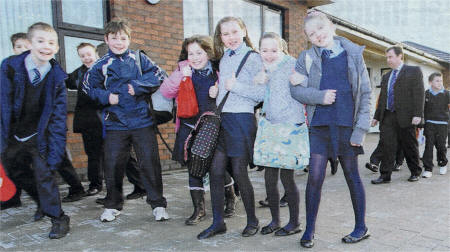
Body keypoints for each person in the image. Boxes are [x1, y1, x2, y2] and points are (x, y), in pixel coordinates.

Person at [290, 10, 371, 248]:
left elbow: (366, 94)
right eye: (311, 33)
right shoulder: (305, 57)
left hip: (347, 126)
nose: (317, 36)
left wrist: (361, 130)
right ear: (307, 37)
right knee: (314, 177)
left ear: (331, 27)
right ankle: (309, 230)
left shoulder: (353, 54)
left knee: (351, 175)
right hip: (319, 126)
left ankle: (361, 227)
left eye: (320, 30)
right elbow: (295, 90)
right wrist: (319, 96)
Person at [83, 19, 168, 222]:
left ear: (129, 39)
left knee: (150, 165)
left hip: (143, 122)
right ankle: (112, 205)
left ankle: (158, 205)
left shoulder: (140, 59)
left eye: (123, 38)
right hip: (115, 123)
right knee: (112, 165)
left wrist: (138, 86)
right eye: (114, 38)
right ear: (106, 39)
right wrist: (106, 97)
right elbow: (87, 87)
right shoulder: (100, 64)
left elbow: (160, 75)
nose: (119, 42)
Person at [197, 16, 264, 239]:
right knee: (215, 172)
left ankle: (252, 220)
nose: (231, 38)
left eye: (234, 32)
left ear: (244, 31)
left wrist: (237, 87)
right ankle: (218, 223)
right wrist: (217, 93)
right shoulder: (225, 58)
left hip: (241, 121)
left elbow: (261, 94)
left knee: (239, 172)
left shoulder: (253, 58)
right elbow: (226, 89)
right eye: (225, 34)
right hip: (222, 120)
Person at [1, 22, 70, 239]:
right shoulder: (10, 68)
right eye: (40, 41)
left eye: (51, 43)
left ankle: (58, 217)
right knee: (15, 172)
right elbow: (2, 106)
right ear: (30, 44)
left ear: (57, 48)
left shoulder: (58, 78)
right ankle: (40, 201)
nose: (46, 46)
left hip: (40, 136)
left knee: (45, 174)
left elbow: (58, 119)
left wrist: (56, 152)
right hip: (11, 135)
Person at [160, 35, 237, 225]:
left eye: (199, 53)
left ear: (208, 53)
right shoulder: (183, 70)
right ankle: (199, 210)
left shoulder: (219, 71)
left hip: (212, 127)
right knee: (194, 168)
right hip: (189, 128)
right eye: (190, 53)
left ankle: (230, 198)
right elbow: (166, 91)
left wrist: (220, 89)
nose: (194, 57)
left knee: (214, 167)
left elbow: (233, 92)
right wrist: (181, 74)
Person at [254, 32, 303, 236]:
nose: (269, 54)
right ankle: (275, 220)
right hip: (270, 127)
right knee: (269, 178)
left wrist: (302, 79)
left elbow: (305, 88)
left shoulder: (293, 64)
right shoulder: (264, 68)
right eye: (264, 50)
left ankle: (294, 223)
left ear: (282, 48)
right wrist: (260, 82)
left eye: (274, 50)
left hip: (289, 128)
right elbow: (260, 97)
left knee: (287, 178)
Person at [371, 45, 424, 184]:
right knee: (387, 145)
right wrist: (376, 117)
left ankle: (415, 171)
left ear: (400, 56)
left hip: (406, 117)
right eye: (387, 57)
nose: (388, 60)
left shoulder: (413, 71)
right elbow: (382, 98)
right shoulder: (387, 76)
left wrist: (418, 114)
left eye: (390, 57)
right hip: (388, 116)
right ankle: (384, 175)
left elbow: (419, 94)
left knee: (409, 145)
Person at [421, 73, 449, 177]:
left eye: (441, 80)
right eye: (437, 80)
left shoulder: (446, 94)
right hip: (430, 124)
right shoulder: (427, 94)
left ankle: (442, 163)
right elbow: (422, 108)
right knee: (429, 146)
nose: (440, 83)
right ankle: (428, 169)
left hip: (443, 124)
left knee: (441, 146)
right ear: (430, 82)